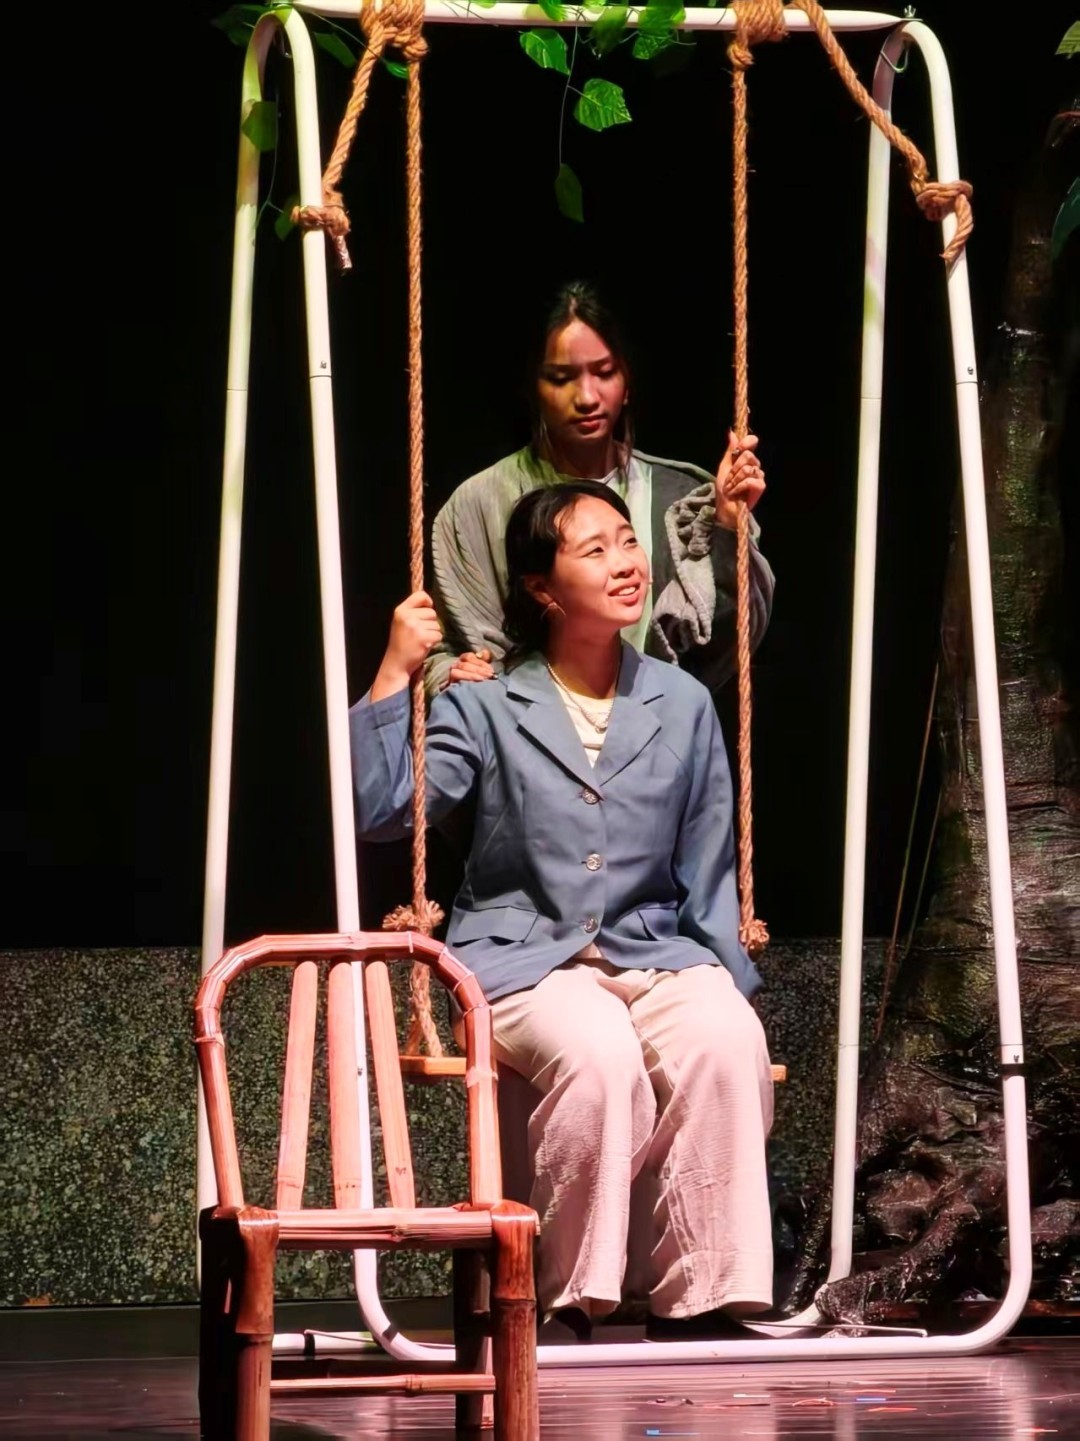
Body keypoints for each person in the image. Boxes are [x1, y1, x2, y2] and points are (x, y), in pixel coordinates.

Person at [351, 481, 774, 1339]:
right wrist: (395, 673)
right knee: (598, 1052)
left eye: (628, 540)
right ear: (543, 587)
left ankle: (702, 1295)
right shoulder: (485, 703)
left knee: (727, 1039)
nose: (625, 562)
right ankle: (568, 1295)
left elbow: (705, 860)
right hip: (524, 959)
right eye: (595, 549)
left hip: (653, 950)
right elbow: (384, 810)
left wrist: (723, 977)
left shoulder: (681, 703)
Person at [424, 279, 774, 700]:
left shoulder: (680, 497)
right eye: (561, 378)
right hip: (519, 730)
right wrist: (455, 674)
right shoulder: (478, 505)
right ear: (534, 386)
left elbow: (723, 644)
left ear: (627, 381)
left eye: (605, 373)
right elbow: (440, 651)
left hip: (659, 728)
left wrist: (726, 527)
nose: (587, 397)